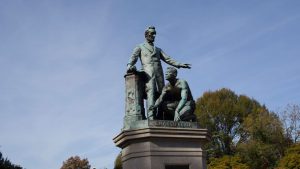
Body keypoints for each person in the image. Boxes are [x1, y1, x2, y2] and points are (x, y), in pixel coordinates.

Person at [126, 26, 191, 120]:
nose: (154, 35)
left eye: (154, 34)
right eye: (152, 33)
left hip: (159, 75)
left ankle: (161, 116)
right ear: (146, 34)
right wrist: (129, 66)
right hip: (148, 75)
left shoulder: (158, 49)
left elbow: (168, 59)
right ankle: (151, 117)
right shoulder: (140, 47)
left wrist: (179, 64)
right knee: (151, 94)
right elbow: (133, 57)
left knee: (161, 95)